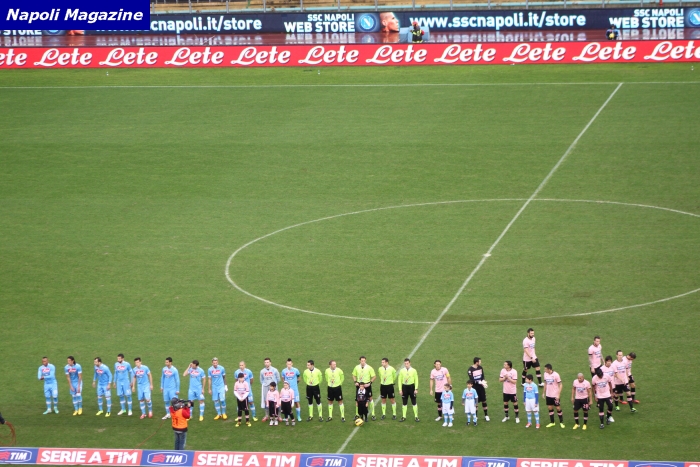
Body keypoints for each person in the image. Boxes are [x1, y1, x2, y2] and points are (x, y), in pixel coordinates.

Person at [467, 357, 489, 421]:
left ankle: (486, 415)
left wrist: (483, 382)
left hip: (481, 387)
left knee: (484, 400)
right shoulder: (470, 369)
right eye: (479, 361)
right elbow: (471, 379)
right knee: (476, 402)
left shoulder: (480, 368)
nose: (480, 362)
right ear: (476, 362)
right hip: (475, 388)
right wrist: (478, 382)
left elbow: (482, 376)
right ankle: (476, 416)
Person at [543, 364, 564, 428]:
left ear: (549, 369)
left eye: (545, 369)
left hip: (555, 395)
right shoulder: (545, 374)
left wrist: (558, 394)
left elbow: (560, 385)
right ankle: (552, 422)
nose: (544, 370)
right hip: (548, 395)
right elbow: (545, 383)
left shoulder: (556, 375)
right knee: (550, 408)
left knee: (558, 408)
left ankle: (561, 422)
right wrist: (543, 393)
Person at [398, 358, 419, 422]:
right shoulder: (402, 371)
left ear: (410, 363)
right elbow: (399, 380)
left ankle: (416, 417)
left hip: (412, 387)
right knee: (404, 402)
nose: (406, 365)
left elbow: (416, 379)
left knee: (414, 402)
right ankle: (404, 417)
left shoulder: (414, 370)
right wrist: (400, 389)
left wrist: (416, 389)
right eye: (405, 363)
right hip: (404, 387)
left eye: (407, 363)